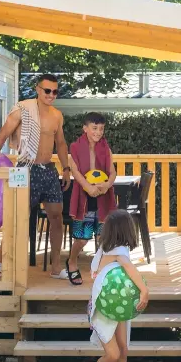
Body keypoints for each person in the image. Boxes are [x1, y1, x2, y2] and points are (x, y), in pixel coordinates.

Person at [0, 74, 71, 279]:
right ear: (37, 89)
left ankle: (56, 267)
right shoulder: (22, 109)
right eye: (47, 90)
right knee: (17, 218)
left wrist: (66, 169)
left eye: (55, 91)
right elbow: (3, 135)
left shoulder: (57, 115)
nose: (51, 95)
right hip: (24, 168)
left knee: (57, 217)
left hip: (48, 170)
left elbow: (60, 143)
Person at [84, 210, 149, 362]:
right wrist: (144, 291)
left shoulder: (107, 249)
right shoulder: (116, 251)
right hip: (103, 310)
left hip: (117, 306)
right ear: (127, 230)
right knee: (113, 354)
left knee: (122, 352)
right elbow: (129, 268)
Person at [66, 112, 118, 286]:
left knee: (104, 237)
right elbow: (75, 171)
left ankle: (103, 270)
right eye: (94, 128)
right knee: (82, 238)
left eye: (101, 129)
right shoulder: (75, 147)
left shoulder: (106, 148)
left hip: (103, 198)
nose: (98, 132)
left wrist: (107, 185)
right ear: (85, 128)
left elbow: (112, 172)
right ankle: (72, 261)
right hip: (84, 198)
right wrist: (88, 187)